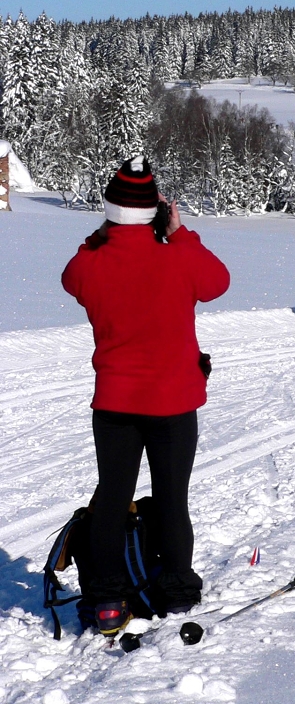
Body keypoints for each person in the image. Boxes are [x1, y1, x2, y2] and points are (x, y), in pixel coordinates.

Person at [61, 157, 230, 635]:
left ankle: (107, 601)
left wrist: (104, 234)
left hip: (113, 403)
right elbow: (218, 282)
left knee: (112, 501)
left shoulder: (90, 262)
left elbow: (72, 276)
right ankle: (176, 590)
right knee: (172, 498)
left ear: (111, 210)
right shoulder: (177, 254)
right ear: (155, 210)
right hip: (174, 403)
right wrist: (180, 233)